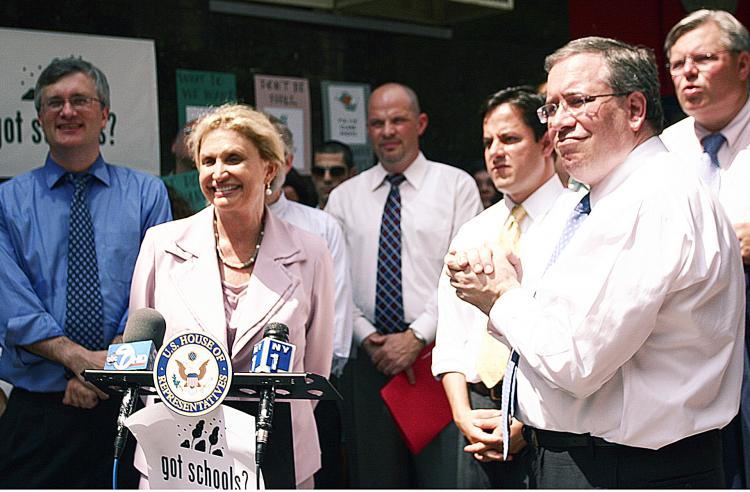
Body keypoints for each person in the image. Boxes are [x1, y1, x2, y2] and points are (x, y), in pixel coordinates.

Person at [446, 37, 745, 488]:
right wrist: (505, 282)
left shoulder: (653, 200)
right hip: (585, 458)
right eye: (551, 108)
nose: (560, 123)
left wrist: (499, 297)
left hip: (630, 468)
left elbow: (577, 362)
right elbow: (555, 316)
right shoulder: (593, 198)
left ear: (635, 110)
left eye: (579, 102)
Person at [129, 103, 334, 489]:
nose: (218, 173)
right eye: (208, 161)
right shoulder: (162, 244)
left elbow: (315, 367)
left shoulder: (311, 252)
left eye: (234, 158)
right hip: (178, 457)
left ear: (269, 169)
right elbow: (143, 354)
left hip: (276, 454)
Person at [0, 56, 172, 488]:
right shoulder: (8, 201)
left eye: (80, 100)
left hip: (128, 406)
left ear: (104, 115)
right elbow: (10, 300)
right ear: (39, 117)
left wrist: (105, 371)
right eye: (54, 103)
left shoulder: (147, 194)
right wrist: (78, 363)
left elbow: (152, 293)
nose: (68, 111)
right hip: (39, 412)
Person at [325, 82, 483, 488]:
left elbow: (464, 273)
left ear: (421, 123)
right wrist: (367, 337)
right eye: (377, 123)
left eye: (398, 120)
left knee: (444, 479)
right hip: (368, 362)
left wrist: (417, 336)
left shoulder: (456, 187)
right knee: (374, 478)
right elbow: (333, 281)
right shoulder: (343, 198)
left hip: (437, 359)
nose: (388, 131)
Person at [433, 86, 580, 488]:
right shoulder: (475, 228)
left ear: (546, 140)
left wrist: (527, 422)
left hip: (551, 415)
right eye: (488, 142)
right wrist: (462, 414)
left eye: (510, 139)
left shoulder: (577, 219)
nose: (495, 152)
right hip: (477, 411)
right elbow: (452, 335)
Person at [660, 11, 750, 486]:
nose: (688, 72)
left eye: (703, 59)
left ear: (742, 64)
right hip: (684, 324)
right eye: (677, 64)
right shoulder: (662, 149)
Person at [266, 116, 354, 488]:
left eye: (270, 156)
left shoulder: (319, 227)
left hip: (309, 393)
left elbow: (337, 315)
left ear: (286, 162)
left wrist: (312, 390)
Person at [312, 140, 357, 208]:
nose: (327, 178)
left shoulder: (367, 217)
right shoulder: (302, 218)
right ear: (313, 176)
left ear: (352, 174)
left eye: (336, 171)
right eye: (319, 172)